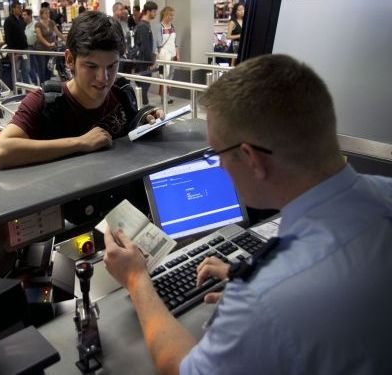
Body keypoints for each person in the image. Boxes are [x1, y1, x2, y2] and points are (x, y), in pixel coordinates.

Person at [103, 54, 392, 374]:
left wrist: (137, 278)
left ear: (251, 159)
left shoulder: (261, 302)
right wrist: (251, 280)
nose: (219, 166)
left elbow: (180, 368)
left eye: (216, 154)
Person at [0, 11, 164, 170]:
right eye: (91, 66)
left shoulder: (121, 92)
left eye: (112, 66)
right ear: (69, 60)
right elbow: (0, 153)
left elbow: (129, 131)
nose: (103, 78)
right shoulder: (45, 102)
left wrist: (145, 119)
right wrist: (80, 143)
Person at [134, 1, 158, 105]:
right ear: (148, 11)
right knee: (144, 84)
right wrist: (151, 62)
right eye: (154, 11)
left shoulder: (145, 25)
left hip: (143, 60)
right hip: (143, 61)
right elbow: (145, 46)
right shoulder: (143, 26)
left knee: (144, 85)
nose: (155, 14)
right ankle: (143, 108)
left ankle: (142, 105)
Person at [155, 6, 180, 104]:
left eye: (173, 15)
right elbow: (156, 43)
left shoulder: (172, 27)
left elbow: (175, 42)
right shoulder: (159, 27)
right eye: (171, 15)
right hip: (163, 56)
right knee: (163, 76)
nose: (172, 17)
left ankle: (167, 95)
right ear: (165, 15)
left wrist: (177, 53)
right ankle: (163, 97)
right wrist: (156, 56)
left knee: (170, 76)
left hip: (172, 54)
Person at [33, 7, 65, 83]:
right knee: (42, 68)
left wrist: (65, 39)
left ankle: (48, 84)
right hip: (40, 49)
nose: (48, 15)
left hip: (49, 49)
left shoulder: (51, 22)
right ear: (41, 14)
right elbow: (39, 36)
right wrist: (48, 44)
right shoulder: (38, 24)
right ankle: (42, 85)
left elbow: (57, 32)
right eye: (46, 13)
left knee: (49, 68)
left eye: (48, 13)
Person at [3, 1, 31, 85]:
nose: (20, 9)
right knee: (16, 72)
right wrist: (13, 52)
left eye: (21, 7)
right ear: (13, 9)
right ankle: (17, 89)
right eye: (18, 7)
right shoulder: (8, 21)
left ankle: (27, 88)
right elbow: (8, 37)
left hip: (24, 48)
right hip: (15, 50)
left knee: (26, 69)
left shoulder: (22, 19)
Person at [23, 9, 39, 85]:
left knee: (36, 65)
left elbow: (39, 36)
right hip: (27, 48)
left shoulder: (36, 24)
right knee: (29, 67)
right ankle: (34, 82)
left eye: (25, 15)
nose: (23, 16)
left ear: (29, 15)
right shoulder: (24, 25)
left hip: (35, 48)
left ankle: (40, 82)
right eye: (23, 15)